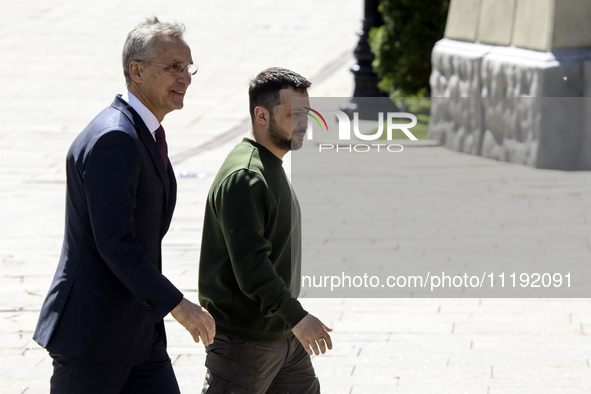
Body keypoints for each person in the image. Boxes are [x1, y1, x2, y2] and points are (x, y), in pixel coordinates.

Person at [33, 17, 215, 394]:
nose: (186, 78)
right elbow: (116, 242)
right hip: (93, 337)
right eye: (173, 68)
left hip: (137, 332)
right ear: (137, 71)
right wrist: (178, 306)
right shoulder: (115, 138)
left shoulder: (137, 132)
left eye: (188, 67)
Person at [198, 67, 332, 393]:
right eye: (294, 115)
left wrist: (290, 321)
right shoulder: (246, 177)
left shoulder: (269, 164)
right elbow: (252, 266)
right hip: (245, 343)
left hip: (282, 334)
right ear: (261, 115)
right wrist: (297, 317)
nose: (304, 124)